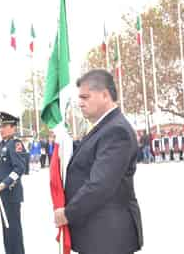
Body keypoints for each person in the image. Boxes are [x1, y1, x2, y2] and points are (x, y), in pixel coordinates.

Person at [54, 69, 143, 254]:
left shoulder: (116, 131)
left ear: (104, 95)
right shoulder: (103, 128)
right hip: (98, 234)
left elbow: (100, 185)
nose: (80, 103)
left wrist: (68, 214)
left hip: (108, 237)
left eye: (85, 97)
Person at [0, 111, 26, 254]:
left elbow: (19, 168)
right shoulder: (2, 145)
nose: (1, 129)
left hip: (11, 193)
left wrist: (4, 184)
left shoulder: (15, 144)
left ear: (13, 127)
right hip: (3, 195)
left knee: (13, 231)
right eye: (1, 126)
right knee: (6, 230)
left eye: (5, 126)